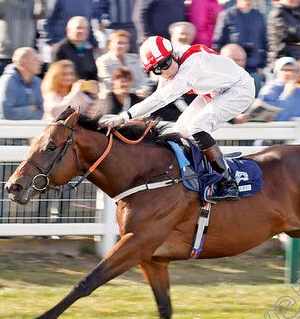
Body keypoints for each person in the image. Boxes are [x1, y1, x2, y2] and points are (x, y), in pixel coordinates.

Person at [103, 36, 255, 202]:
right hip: (216, 91)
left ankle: (228, 182)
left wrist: (124, 116)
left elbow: (164, 97)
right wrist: (134, 118)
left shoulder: (192, 65)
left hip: (240, 88)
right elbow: (157, 97)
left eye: (165, 65)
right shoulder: (169, 61)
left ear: (174, 53)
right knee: (177, 132)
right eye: (156, 69)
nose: (164, 72)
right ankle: (197, 175)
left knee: (198, 127)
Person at [213, 0, 268, 94]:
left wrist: (262, 65)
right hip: (232, 70)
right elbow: (218, 42)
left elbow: (265, 42)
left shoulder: (259, 16)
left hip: (253, 69)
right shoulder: (227, 15)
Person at [258, 57, 300, 125]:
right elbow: (272, 116)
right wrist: (287, 94)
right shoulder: (269, 90)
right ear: (277, 72)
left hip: (297, 133)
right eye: (285, 70)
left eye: (292, 70)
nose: (288, 73)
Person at [0, 47, 44, 120]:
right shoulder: (7, 81)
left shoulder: (38, 82)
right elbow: (7, 114)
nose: (41, 63)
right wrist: (30, 109)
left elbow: (41, 112)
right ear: (24, 62)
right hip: (2, 129)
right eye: (36, 60)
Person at [51, 16, 98, 80]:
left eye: (85, 28)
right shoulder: (60, 49)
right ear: (68, 30)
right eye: (78, 28)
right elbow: (56, 77)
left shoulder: (88, 49)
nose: (82, 31)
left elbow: (93, 74)